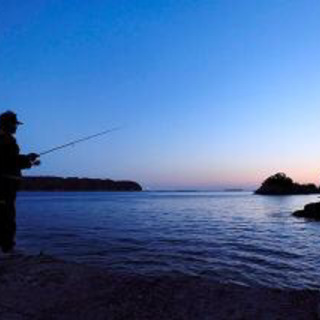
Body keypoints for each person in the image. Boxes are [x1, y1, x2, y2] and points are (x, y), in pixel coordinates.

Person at [0, 110, 40, 253]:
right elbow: (9, 161)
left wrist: (29, 161)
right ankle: (7, 249)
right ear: (7, 124)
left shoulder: (5, 139)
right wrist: (28, 158)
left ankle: (6, 247)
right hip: (5, 186)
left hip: (6, 184)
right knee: (7, 217)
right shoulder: (5, 139)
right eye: (14, 124)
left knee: (5, 216)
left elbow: (10, 160)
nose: (16, 127)